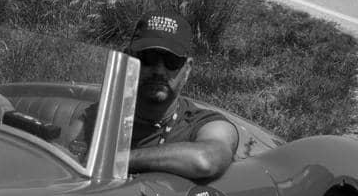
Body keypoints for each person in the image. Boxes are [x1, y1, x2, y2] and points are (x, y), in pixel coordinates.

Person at [71, 10, 238, 180]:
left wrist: (118, 159)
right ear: (129, 58)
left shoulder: (204, 124)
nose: (159, 71)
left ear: (187, 69)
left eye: (171, 61)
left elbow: (206, 161)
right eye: (148, 58)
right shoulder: (97, 118)